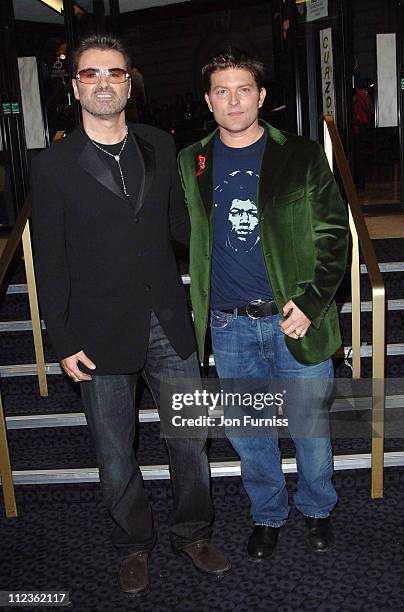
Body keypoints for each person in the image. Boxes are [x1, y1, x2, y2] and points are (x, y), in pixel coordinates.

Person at [31, 33, 231, 594]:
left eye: (113, 73)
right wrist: (63, 336)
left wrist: (240, 252)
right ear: (75, 87)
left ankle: (193, 532)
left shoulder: (158, 145)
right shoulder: (52, 166)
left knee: (190, 438)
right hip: (97, 332)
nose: (103, 82)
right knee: (115, 451)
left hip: (168, 321)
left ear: (128, 82)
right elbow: (50, 261)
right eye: (91, 74)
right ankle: (131, 544)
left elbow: (178, 227)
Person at [178, 48, 348, 562]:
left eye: (244, 89)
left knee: (310, 428)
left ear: (262, 97)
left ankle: (318, 509)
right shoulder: (193, 161)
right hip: (227, 324)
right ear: (208, 101)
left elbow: (334, 234)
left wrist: (312, 301)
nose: (234, 99)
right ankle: (267, 515)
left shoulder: (300, 154)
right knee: (249, 434)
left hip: (293, 318)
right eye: (222, 91)